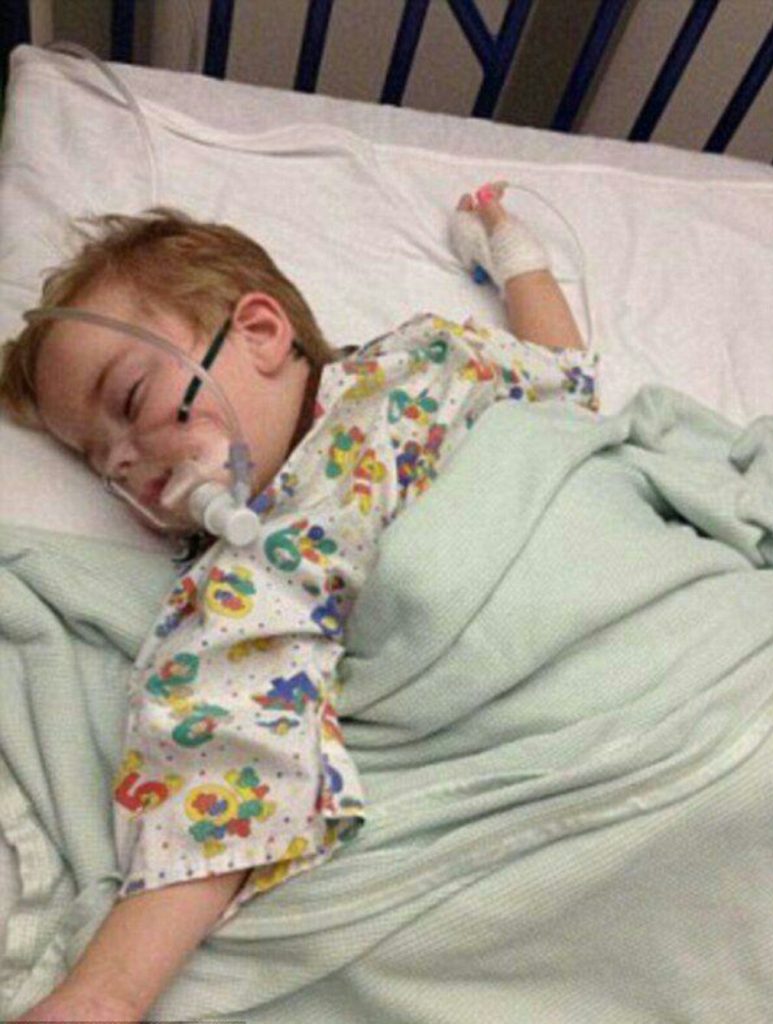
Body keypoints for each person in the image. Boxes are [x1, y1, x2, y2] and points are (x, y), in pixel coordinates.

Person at [0, 183, 598, 1023]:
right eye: (104, 463)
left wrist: (510, 249)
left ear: (260, 331)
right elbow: (223, 742)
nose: (130, 462)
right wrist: (104, 997)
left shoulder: (424, 358)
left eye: (130, 401)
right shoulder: (257, 562)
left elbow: (564, 378)